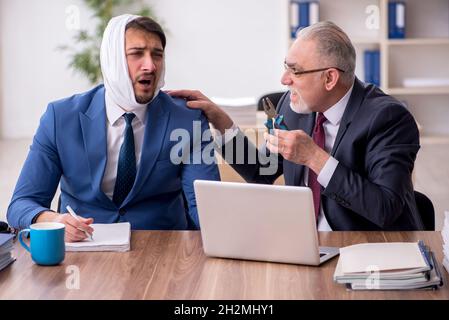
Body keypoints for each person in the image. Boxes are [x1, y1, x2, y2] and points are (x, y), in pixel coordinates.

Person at [169, 21, 423, 231]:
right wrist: (221, 122)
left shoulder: (388, 118)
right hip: (304, 242)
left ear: (330, 78)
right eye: (285, 67)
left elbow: (385, 208)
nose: (284, 79)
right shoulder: (292, 107)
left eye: (295, 71)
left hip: (367, 249)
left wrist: (314, 157)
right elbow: (262, 172)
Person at [7, 15, 220, 241]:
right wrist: (53, 219)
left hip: (162, 248)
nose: (150, 65)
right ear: (113, 59)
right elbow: (21, 203)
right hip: (83, 251)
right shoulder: (60, 117)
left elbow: (205, 207)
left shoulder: (187, 119)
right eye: (137, 54)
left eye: (157, 54)